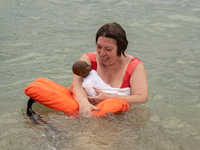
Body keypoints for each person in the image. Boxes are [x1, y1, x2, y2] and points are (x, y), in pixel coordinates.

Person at [70, 22, 148, 115]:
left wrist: (109, 97)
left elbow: (142, 98)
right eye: (99, 47)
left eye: (108, 49)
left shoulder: (134, 65)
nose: (102, 53)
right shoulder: (88, 60)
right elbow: (75, 85)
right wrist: (84, 103)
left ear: (121, 48)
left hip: (122, 116)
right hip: (92, 112)